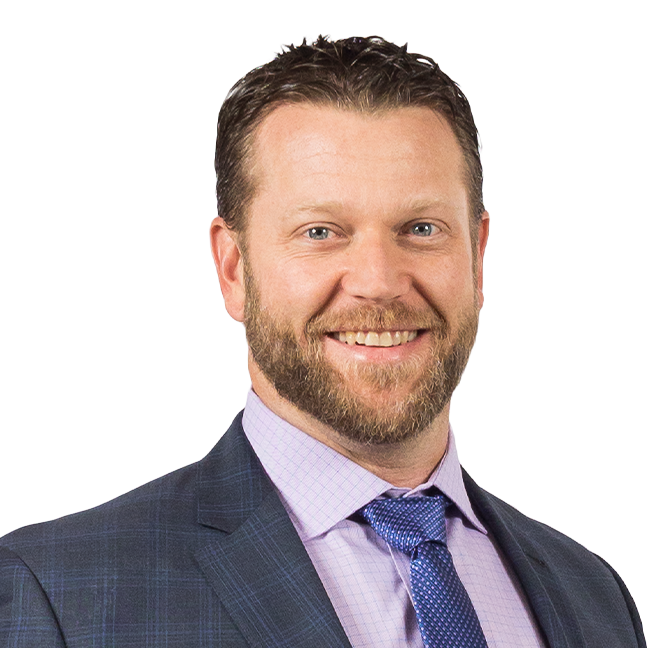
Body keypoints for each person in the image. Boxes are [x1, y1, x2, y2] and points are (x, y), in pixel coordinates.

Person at [0, 34, 643, 648]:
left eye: (421, 228)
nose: (379, 282)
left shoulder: (593, 593)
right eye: (321, 232)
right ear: (234, 269)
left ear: (477, 256)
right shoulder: (59, 594)